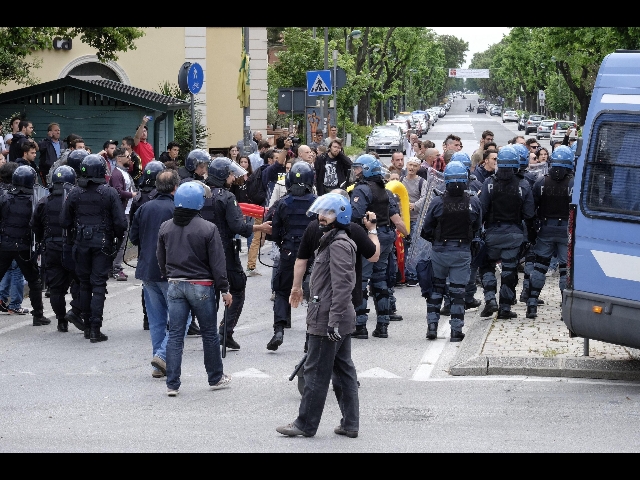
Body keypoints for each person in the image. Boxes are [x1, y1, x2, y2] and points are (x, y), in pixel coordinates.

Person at [277, 194, 360, 439]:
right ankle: (350, 424)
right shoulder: (331, 239)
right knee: (343, 370)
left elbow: (344, 285)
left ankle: (305, 424)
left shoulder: (339, 244)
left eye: (328, 213)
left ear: (340, 215)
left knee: (315, 372)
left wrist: (333, 320)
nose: (321, 217)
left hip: (328, 319)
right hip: (333, 317)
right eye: (322, 212)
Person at [157, 182, 233, 397]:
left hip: (175, 284)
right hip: (202, 285)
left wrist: (168, 274)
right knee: (209, 334)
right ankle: (215, 377)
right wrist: (225, 289)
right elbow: (218, 264)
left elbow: (160, 258)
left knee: (175, 335)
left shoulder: (166, 227)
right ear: (200, 202)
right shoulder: (208, 228)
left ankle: (172, 383)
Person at [202, 157, 272, 351]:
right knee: (238, 288)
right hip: (223, 250)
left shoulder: (199, 193)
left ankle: (208, 334)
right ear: (223, 175)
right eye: (231, 174)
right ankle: (226, 331)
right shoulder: (226, 197)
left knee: (206, 293)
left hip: (200, 251)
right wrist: (260, 227)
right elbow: (238, 226)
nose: (233, 177)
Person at [60, 155, 128, 343]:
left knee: (84, 284)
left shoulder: (74, 193)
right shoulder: (109, 193)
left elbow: (64, 221)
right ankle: (95, 330)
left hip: (81, 243)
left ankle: (88, 326)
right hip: (102, 243)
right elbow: (121, 223)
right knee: (98, 285)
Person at [130, 169, 185, 379]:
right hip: (171, 269)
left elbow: (134, 237)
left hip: (147, 269)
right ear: (175, 187)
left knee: (156, 320)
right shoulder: (177, 210)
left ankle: (158, 362)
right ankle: (162, 355)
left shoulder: (144, 207)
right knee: (181, 318)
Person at [421, 161, 482, 342]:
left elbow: (426, 228)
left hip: (440, 250)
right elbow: (477, 227)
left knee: (436, 288)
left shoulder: (438, 201)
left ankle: (432, 326)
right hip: (462, 250)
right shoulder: (474, 201)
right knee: (458, 292)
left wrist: (437, 240)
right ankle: (456, 331)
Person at [478, 146, 535, 319]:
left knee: (486, 265)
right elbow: (529, 214)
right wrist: (531, 237)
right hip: (514, 234)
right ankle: (504, 308)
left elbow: (481, 209)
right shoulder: (523, 184)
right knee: (509, 271)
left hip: (492, 233)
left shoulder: (489, 183)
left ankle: (490, 299)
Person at [267, 161, 317, 351]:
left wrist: (284, 246)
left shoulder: (281, 204)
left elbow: (274, 233)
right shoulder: (316, 203)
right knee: (313, 294)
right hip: (311, 254)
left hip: (289, 252)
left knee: (281, 291)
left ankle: (279, 330)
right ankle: (309, 337)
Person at [349, 155, 398, 340]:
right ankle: (383, 325)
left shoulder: (361, 190)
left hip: (369, 238)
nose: (356, 171)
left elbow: (356, 215)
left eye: (359, 168)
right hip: (386, 236)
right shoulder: (383, 189)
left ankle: (360, 326)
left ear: (367, 170)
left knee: (361, 280)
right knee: (380, 280)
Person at [31, 165, 84, 333]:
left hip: (52, 248)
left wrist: (42, 242)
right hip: (72, 247)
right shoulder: (76, 200)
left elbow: (35, 225)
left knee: (56, 289)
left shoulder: (43, 202)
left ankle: (62, 321)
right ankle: (76, 312)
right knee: (81, 283)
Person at [525, 146, 574, 319]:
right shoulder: (573, 183)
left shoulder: (541, 182)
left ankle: (531, 304)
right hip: (566, 231)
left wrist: (532, 230)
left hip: (545, 229)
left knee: (540, 266)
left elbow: (531, 209)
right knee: (564, 269)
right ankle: (565, 309)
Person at [0, 165, 52, 326]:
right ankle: (38, 316)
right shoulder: (35, 200)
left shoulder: (5, 198)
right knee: (34, 281)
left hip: (5, 245)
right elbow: (38, 225)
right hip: (25, 247)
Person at [108, 148, 138, 281]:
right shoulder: (116, 174)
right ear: (119, 158)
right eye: (127, 156)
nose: (129, 159)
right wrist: (133, 194)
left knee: (122, 240)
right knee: (121, 240)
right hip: (121, 213)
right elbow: (118, 192)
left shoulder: (124, 172)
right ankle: (116, 268)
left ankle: (114, 267)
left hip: (126, 211)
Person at [401, 157, 429, 286]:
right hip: (402, 219)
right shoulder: (401, 180)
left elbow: (425, 197)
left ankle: (412, 274)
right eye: (410, 165)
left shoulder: (422, 182)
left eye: (414, 166)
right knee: (403, 246)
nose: (411, 168)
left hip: (415, 219)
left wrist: (414, 205)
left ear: (418, 168)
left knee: (414, 247)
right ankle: (403, 273)